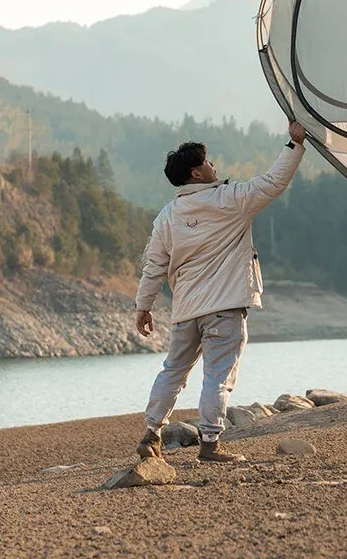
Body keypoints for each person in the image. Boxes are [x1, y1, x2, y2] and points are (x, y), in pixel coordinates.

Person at [134, 120, 307, 462]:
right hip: (225, 306)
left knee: (173, 371)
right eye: (207, 162)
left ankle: (151, 435)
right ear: (196, 173)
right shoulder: (230, 199)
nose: (214, 166)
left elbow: (154, 266)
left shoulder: (167, 217)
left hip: (186, 311)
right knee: (218, 374)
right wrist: (295, 144)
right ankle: (210, 444)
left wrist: (144, 306)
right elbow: (274, 182)